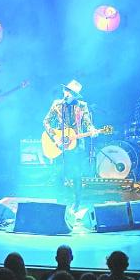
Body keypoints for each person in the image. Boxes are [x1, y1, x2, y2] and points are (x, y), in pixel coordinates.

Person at [43, 80, 97, 211]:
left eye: (71, 92)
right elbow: (46, 121)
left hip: (76, 145)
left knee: (76, 174)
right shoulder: (57, 104)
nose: (67, 93)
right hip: (59, 145)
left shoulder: (81, 106)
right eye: (67, 91)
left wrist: (92, 129)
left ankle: (76, 203)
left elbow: (87, 122)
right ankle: (59, 203)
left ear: (75, 95)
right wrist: (54, 136)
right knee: (58, 174)